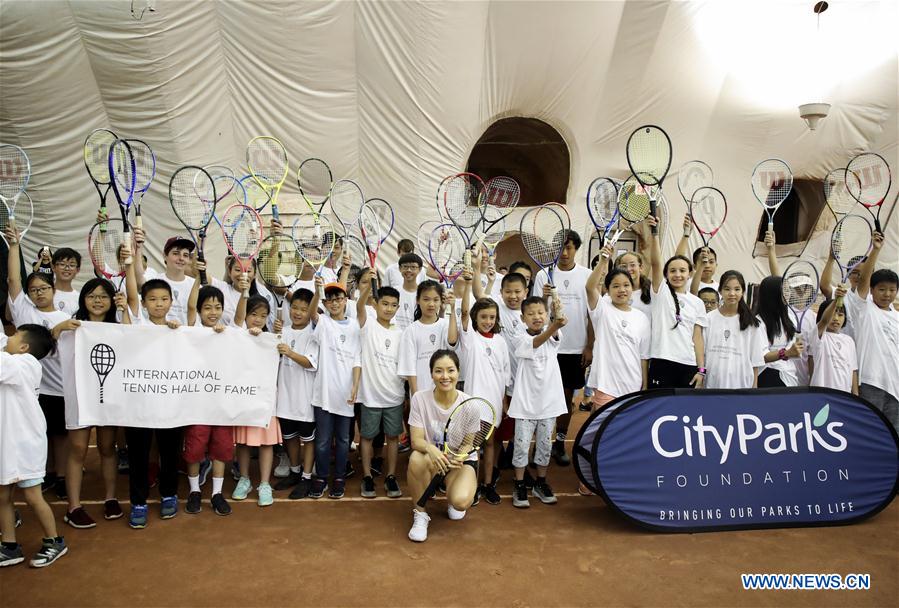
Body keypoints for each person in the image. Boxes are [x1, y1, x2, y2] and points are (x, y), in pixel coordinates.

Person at [54, 275, 132, 528]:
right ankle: (74, 507)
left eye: (103, 296)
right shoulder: (72, 326)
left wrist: (125, 310)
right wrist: (59, 328)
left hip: (108, 398)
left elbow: (133, 341)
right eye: (91, 296)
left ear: (111, 300)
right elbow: (48, 344)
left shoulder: (117, 326)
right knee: (77, 449)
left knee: (108, 448)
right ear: (83, 299)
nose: (97, 301)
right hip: (78, 397)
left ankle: (111, 498)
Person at [5, 227, 71, 499]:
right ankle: (45, 474)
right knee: (37, 432)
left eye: (43, 288)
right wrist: (14, 245)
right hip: (31, 389)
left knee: (61, 436)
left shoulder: (67, 317)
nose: (38, 293)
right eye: (33, 290)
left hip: (60, 388)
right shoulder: (23, 310)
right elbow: (13, 279)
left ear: (53, 289)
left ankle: (63, 476)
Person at [0, 324, 68, 568]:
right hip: (7, 443)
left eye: (13, 336)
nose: (7, 338)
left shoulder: (25, 365)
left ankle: (54, 541)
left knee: (32, 496)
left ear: (24, 347)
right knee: (3, 495)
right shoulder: (14, 360)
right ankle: (9, 546)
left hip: (25, 444)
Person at [123, 277, 183, 528]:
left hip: (172, 404)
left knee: (170, 452)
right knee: (138, 454)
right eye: (153, 299)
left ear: (171, 302)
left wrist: (179, 333)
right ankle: (138, 502)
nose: (159, 304)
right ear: (144, 303)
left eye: (164, 299)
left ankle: (169, 494)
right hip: (139, 404)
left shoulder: (180, 329)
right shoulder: (136, 327)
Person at [530, 230, 593, 466]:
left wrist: (589, 346)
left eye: (569, 247)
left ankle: (559, 442)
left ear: (576, 249)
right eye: (560, 248)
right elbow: (535, 312)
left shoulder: (587, 275)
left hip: (575, 349)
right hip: (547, 348)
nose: (564, 253)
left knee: (567, 399)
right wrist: (545, 297)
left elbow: (592, 314)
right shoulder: (542, 275)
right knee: (541, 398)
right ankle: (539, 443)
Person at [406, 350, 478, 542]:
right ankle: (420, 514)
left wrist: (459, 456)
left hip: (458, 463)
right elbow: (416, 440)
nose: (445, 376)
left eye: (450, 370)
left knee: (461, 502)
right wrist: (432, 450)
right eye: (438, 371)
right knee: (416, 458)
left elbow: (468, 444)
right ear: (431, 374)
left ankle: (452, 495)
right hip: (433, 459)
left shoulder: (470, 405)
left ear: (458, 372)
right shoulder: (419, 399)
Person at [454, 266, 511, 505]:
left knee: (490, 444)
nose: (488, 321)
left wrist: (504, 401)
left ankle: (487, 485)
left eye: (492, 317)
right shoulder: (470, 338)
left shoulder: (500, 342)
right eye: (484, 317)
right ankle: (471, 485)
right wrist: (468, 284)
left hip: (494, 402)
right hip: (473, 402)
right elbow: (464, 312)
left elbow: (505, 375)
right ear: (476, 317)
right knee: (472, 446)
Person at [508, 296, 568, 508]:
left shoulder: (554, 334)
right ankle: (519, 483)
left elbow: (555, 331)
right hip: (525, 404)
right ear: (522, 318)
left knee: (544, 447)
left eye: (541, 313)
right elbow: (535, 343)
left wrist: (557, 314)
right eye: (531, 314)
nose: (536, 317)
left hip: (549, 403)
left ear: (547, 314)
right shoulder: (519, 336)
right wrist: (554, 325)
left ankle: (540, 483)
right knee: (521, 447)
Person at [180, 277, 233, 516]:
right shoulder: (193, 330)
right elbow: (190, 307)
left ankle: (216, 493)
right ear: (200, 310)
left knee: (221, 448)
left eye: (217, 307)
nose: (213, 312)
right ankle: (194, 491)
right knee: (194, 448)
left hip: (221, 403)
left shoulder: (229, 333)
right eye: (207, 307)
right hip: (197, 404)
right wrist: (196, 278)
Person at [309, 279, 361, 500]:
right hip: (323, 396)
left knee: (343, 441)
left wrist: (355, 386)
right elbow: (312, 314)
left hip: (345, 396)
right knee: (322, 441)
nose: (335, 303)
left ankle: (339, 477)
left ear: (346, 300)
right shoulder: (323, 323)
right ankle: (321, 477)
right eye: (330, 300)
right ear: (325, 303)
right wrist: (316, 292)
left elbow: (357, 360)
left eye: (338, 298)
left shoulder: (355, 326)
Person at [355, 275, 405, 499]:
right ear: (375, 304)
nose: (389, 309)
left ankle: (391, 476)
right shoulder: (368, 325)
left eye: (393, 305)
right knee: (366, 437)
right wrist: (368, 287)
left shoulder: (400, 332)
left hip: (394, 396)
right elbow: (359, 307)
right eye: (385, 304)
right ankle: (367, 476)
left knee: (392, 438)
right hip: (371, 397)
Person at [231, 295, 283, 506]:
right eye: (253, 314)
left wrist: (275, 337)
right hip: (243, 398)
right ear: (245, 315)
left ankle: (264, 484)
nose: (258, 319)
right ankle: (244, 479)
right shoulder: (236, 336)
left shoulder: (271, 339)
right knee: (243, 443)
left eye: (263, 315)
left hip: (266, 400)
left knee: (266, 443)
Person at [844, 231, 898, 432]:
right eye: (882, 289)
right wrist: (875, 249)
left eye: (892, 290)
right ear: (872, 290)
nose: (887, 294)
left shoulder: (897, 317)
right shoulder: (864, 308)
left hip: (896, 387)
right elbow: (864, 280)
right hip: (871, 382)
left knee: (893, 435)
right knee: (869, 432)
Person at [585, 246, 651, 408]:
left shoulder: (641, 318)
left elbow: (643, 356)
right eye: (615, 286)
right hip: (606, 384)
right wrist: (603, 260)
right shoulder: (602, 309)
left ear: (632, 288)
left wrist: (645, 384)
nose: (622, 290)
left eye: (626, 285)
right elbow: (590, 287)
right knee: (605, 423)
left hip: (632, 384)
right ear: (607, 290)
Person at [647, 218, 708, 388]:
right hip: (661, 361)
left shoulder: (697, 303)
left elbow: (697, 338)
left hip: (688, 364)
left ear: (690, 274)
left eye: (682, 271)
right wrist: (654, 234)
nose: (678, 275)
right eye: (672, 271)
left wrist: (701, 369)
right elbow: (656, 262)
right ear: (666, 274)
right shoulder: (661, 292)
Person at [273, 289, 319, 499]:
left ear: (310, 311)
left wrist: (290, 353)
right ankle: (294, 471)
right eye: (295, 308)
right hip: (285, 397)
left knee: (308, 439)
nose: (298, 313)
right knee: (289, 437)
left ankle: (306, 478)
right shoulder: (282, 331)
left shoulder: (314, 334)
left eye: (303, 309)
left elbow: (310, 362)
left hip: (305, 399)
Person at [702, 270, 764, 389]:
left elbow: (755, 360)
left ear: (743, 292)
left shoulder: (751, 323)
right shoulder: (708, 319)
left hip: (742, 387)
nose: (732, 293)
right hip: (712, 385)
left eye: (737, 289)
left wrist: (754, 387)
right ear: (720, 290)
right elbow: (702, 354)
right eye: (727, 289)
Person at [398, 280, 452, 395]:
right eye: (426, 299)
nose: (431, 304)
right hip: (421, 392)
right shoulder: (410, 331)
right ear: (418, 300)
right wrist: (416, 396)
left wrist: (451, 307)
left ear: (441, 301)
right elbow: (409, 368)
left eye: (436, 300)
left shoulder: (446, 325)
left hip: (444, 393)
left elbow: (453, 343)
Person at [753, 276, 804, 388]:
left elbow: (793, 352)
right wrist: (786, 353)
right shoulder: (758, 323)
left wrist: (795, 350)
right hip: (767, 375)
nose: (788, 293)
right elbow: (761, 357)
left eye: (788, 289)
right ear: (772, 294)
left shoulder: (790, 319)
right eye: (784, 289)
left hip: (789, 376)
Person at [135, 235, 196, 324]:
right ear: (164, 256)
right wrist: (138, 248)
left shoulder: (195, 285)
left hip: (187, 333)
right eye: (176, 253)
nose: (181, 258)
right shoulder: (154, 281)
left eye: (185, 255)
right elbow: (139, 281)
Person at [811, 286, 858, 395]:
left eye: (840, 315)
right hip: (822, 394)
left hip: (844, 396)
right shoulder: (818, 335)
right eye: (832, 314)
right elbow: (824, 321)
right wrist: (836, 300)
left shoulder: (849, 341)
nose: (836, 318)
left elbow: (853, 370)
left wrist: (856, 396)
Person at [392, 253, 423, 331]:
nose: (409, 270)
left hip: (415, 334)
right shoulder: (393, 291)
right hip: (394, 335)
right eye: (405, 266)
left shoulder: (423, 294)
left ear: (419, 269)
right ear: (400, 268)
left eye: (413, 267)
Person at [49, 248, 82, 315]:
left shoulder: (80, 298)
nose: (67, 268)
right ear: (53, 267)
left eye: (72, 265)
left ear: (77, 270)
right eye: (62, 264)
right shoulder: (45, 293)